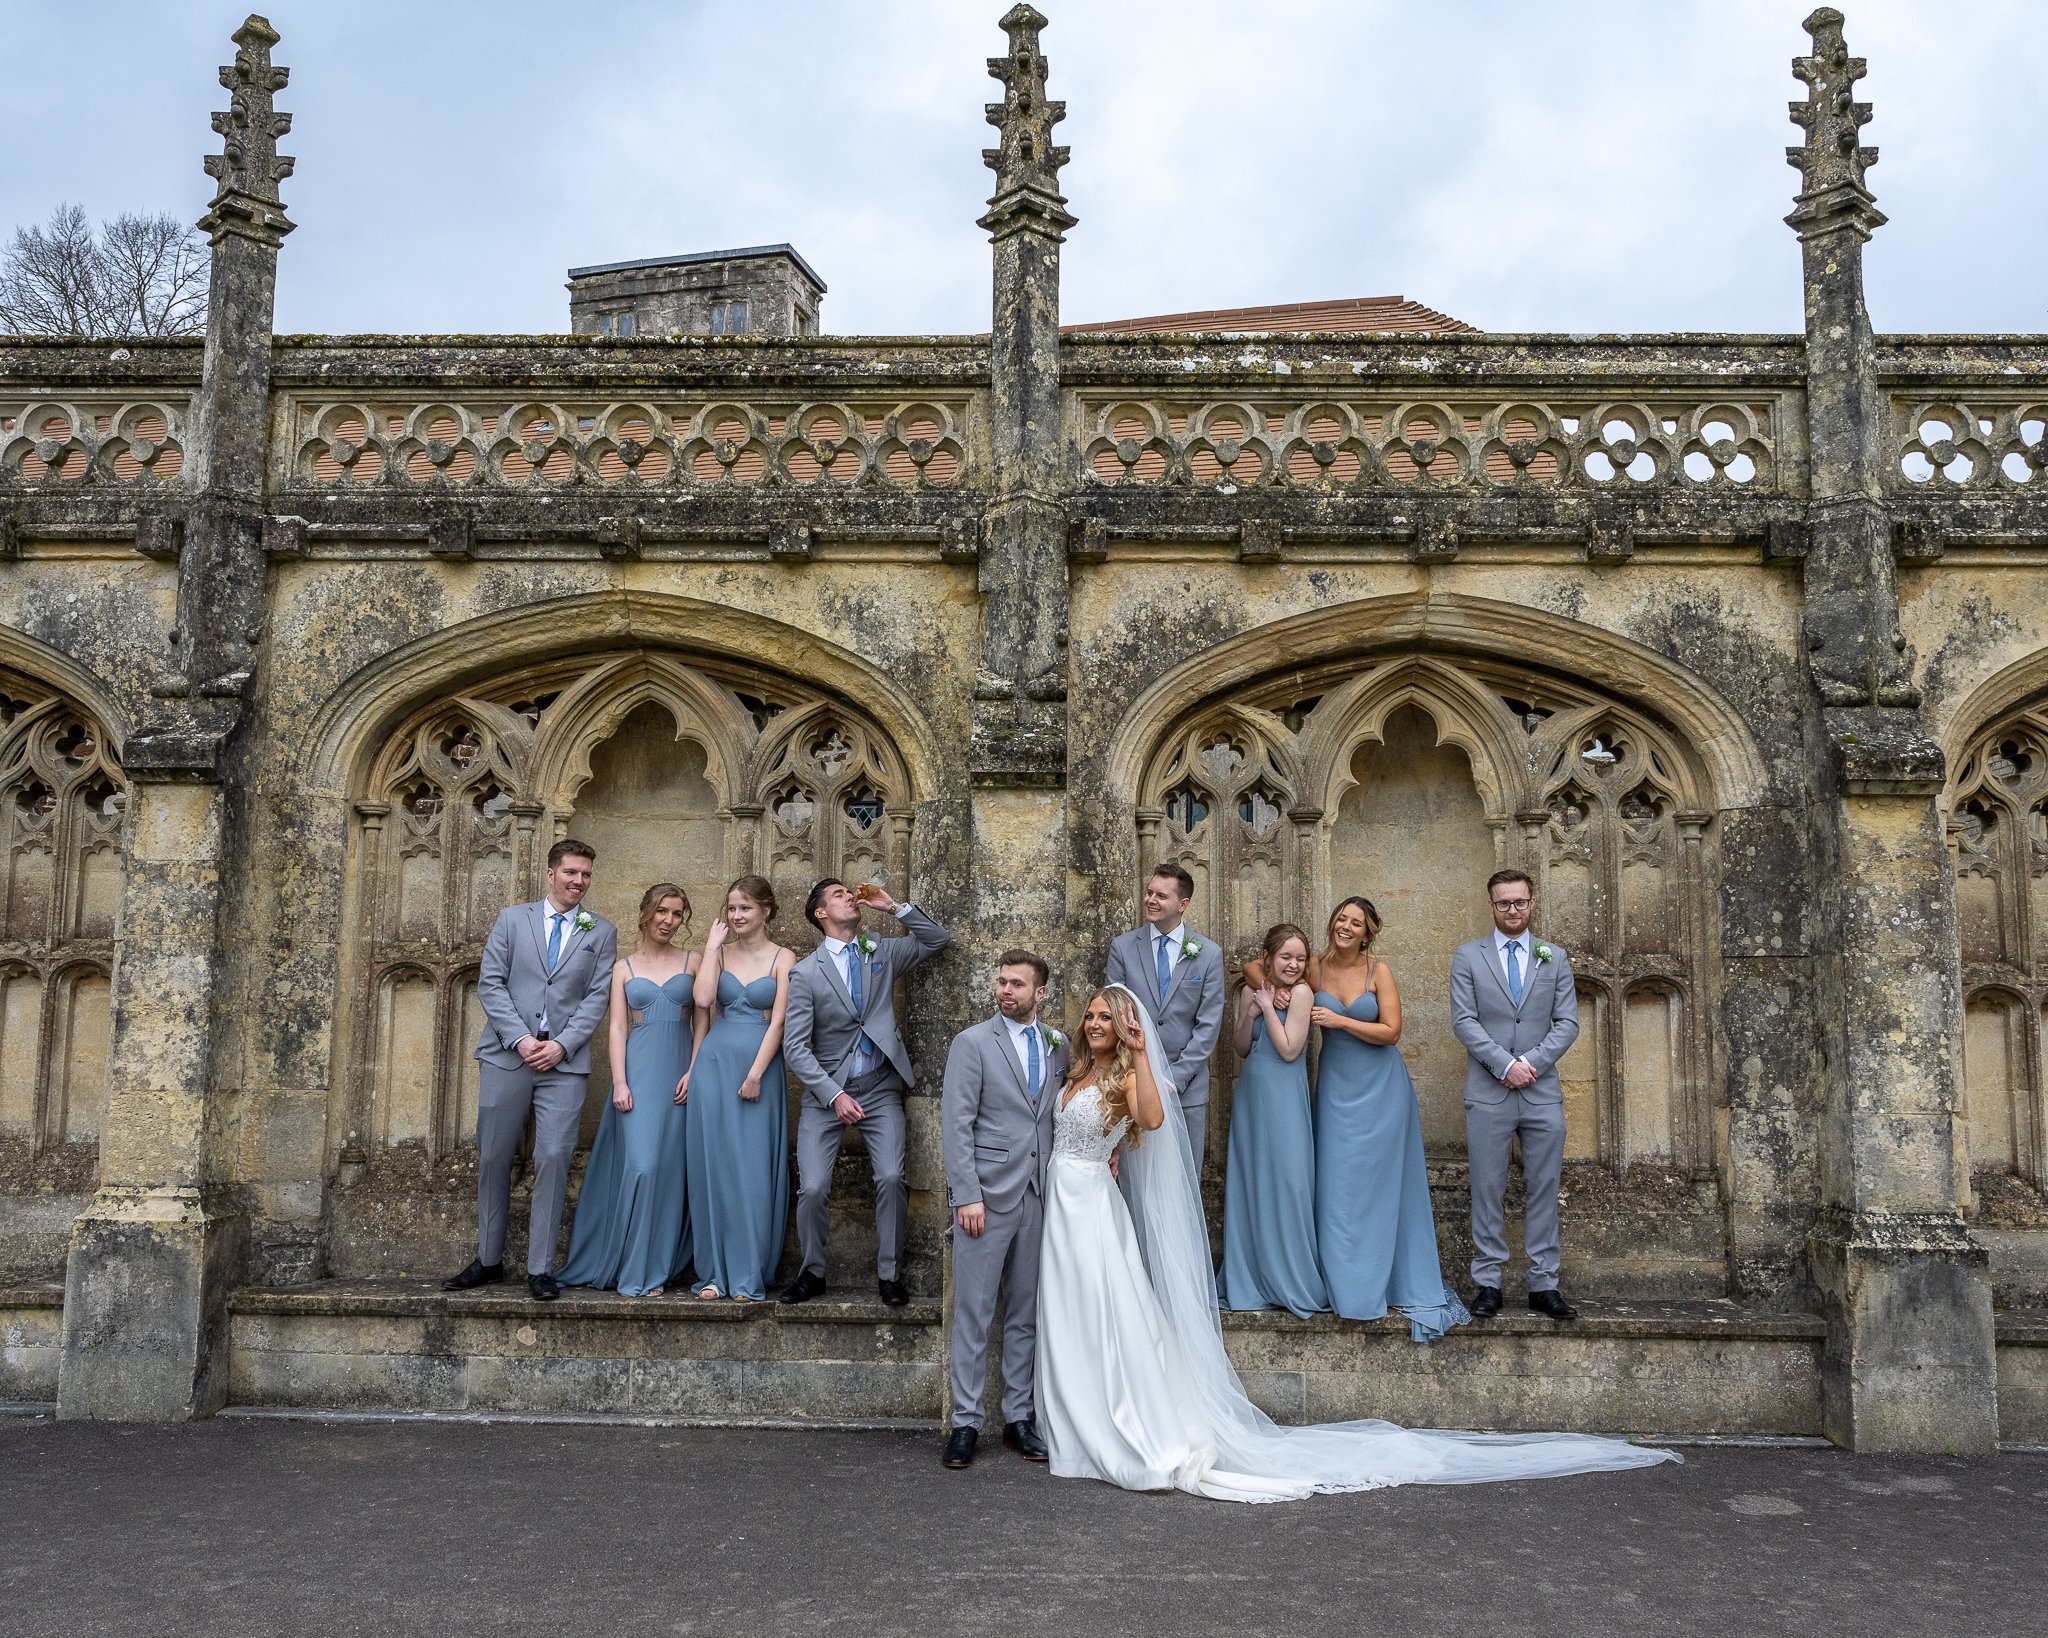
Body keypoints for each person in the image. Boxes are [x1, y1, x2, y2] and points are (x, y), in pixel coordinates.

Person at [1034, 984, 1679, 1501]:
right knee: (1072, 1313)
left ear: (1125, 1025)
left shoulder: (1125, 1073)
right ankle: (1071, 1424)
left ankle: (1110, 1428)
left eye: (1106, 1017)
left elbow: (1149, 1121)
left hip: (1091, 1207)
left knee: (1106, 1311)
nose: (1095, 1023)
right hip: (1067, 1203)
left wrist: (1143, 1055)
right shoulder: (1077, 1069)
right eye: (1090, 1014)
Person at [448, 838, 617, 1302]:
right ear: (550, 874)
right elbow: (491, 982)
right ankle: (487, 1259)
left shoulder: (599, 932)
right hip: (507, 1055)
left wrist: (561, 1045)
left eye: (585, 875)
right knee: (494, 1156)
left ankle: (540, 1268)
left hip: (563, 1064)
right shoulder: (511, 920)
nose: (578, 882)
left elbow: (596, 998)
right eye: (571, 873)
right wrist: (521, 1039)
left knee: (554, 1159)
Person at [781, 878, 950, 1306]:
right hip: (827, 1094)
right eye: (838, 895)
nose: (849, 897)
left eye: (848, 892)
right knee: (814, 1187)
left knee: (892, 1177)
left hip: (879, 1088)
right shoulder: (804, 973)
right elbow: (795, 1048)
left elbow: (937, 939)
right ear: (820, 913)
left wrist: (894, 907)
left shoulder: (880, 950)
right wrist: (833, 1095)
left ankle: (889, 1275)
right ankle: (813, 1272)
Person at [1310, 897, 1468, 1341]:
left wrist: (1339, 1022)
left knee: (1381, 1187)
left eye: (1355, 923)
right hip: (1337, 1091)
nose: (1345, 926)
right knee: (1338, 1187)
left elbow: (1392, 1032)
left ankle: (1392, 1281)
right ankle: (1342, 1284)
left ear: (1368, 932)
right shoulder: (1314, 967)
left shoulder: (1378, 971)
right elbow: (1258, 968)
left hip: (1382, 1090)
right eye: (1341, 918)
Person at [939, 949, 1067, 1471]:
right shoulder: (972, 1044)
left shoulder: (1058, 1045)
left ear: (1041, 993)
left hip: (1039, 1196)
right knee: (973, 1311)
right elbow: (956, 1123)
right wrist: (966, 1194)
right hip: (986, 1200)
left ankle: (1019, 1417)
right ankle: (965, 1423)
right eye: (1002, 982)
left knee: (1025, 1313)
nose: (1005, 991)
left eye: (1017, 984)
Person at [1450, 868, 1581, 1322]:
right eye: (1504, 903)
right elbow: (1464, 1021)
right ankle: (1488, 1281)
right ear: (1492, 905)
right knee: (1488, 1187)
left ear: (1532, 902)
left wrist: (1532, 1065)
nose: (1512, 910)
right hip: (1488, 1091)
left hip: (1542, 1092)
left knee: (1543, 1187)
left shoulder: (1555, 958)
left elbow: (1567, 1022)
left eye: (1519, 902)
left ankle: (1544, 1284)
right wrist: (1504, 1065)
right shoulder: (1468, 956)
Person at [558, 884, 699, 1298]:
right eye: (662, 912)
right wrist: (620, 1081)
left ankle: (650, 1270)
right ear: (645, 914)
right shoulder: (624, 967)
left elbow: (703, 1021)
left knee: (670, 1171)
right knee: (642, 1166)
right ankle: (630, 1264)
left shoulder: (694, 961)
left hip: (678, 1072)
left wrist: (694, 1071)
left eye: (677, 914)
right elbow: (617, 1027)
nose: (669, 921)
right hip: (637, 1073)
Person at [684, 875, 795, 1303]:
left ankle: (748, 1274)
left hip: (757, 1070)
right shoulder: (722, 953)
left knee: (750, 1171)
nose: (737, 915)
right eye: (731, 908)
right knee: (713, 1169)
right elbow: (703, 1001)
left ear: (766, 911)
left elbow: (780, 1021)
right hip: (714, 1066)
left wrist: (755, 1073)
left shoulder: (786, 958)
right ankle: (712, 1273)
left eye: (745, 908)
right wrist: (712, 948)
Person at [1219, 925, 1329, 1318]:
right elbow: (1242, 1047)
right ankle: (1253, 1277)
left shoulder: (1302, 993)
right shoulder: (1254, 988)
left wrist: (1268, 1008)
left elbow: (1288, 1049)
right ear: (1268, 956)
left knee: (1288, 1182)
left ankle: (1292, 1277)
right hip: (1252, 1096)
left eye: (1301, 959)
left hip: (1284, 1099)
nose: (1294, 965)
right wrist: (1250, 1012)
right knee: (1253, 1181)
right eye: (1286, 957)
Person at [1104, 863, 1224, 1177]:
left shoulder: (1209, 954)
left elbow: (1208, 1026)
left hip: (1186, 1090)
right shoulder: (1123, 948)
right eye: (1149, 892)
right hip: (1132, 1085)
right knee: (1135, 1182)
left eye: (1161, 895)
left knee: (1184, 1179)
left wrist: (1173, 1079)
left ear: (1182, 905)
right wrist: (1138, 1074)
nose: (1151, 900)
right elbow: (1114, 1013)